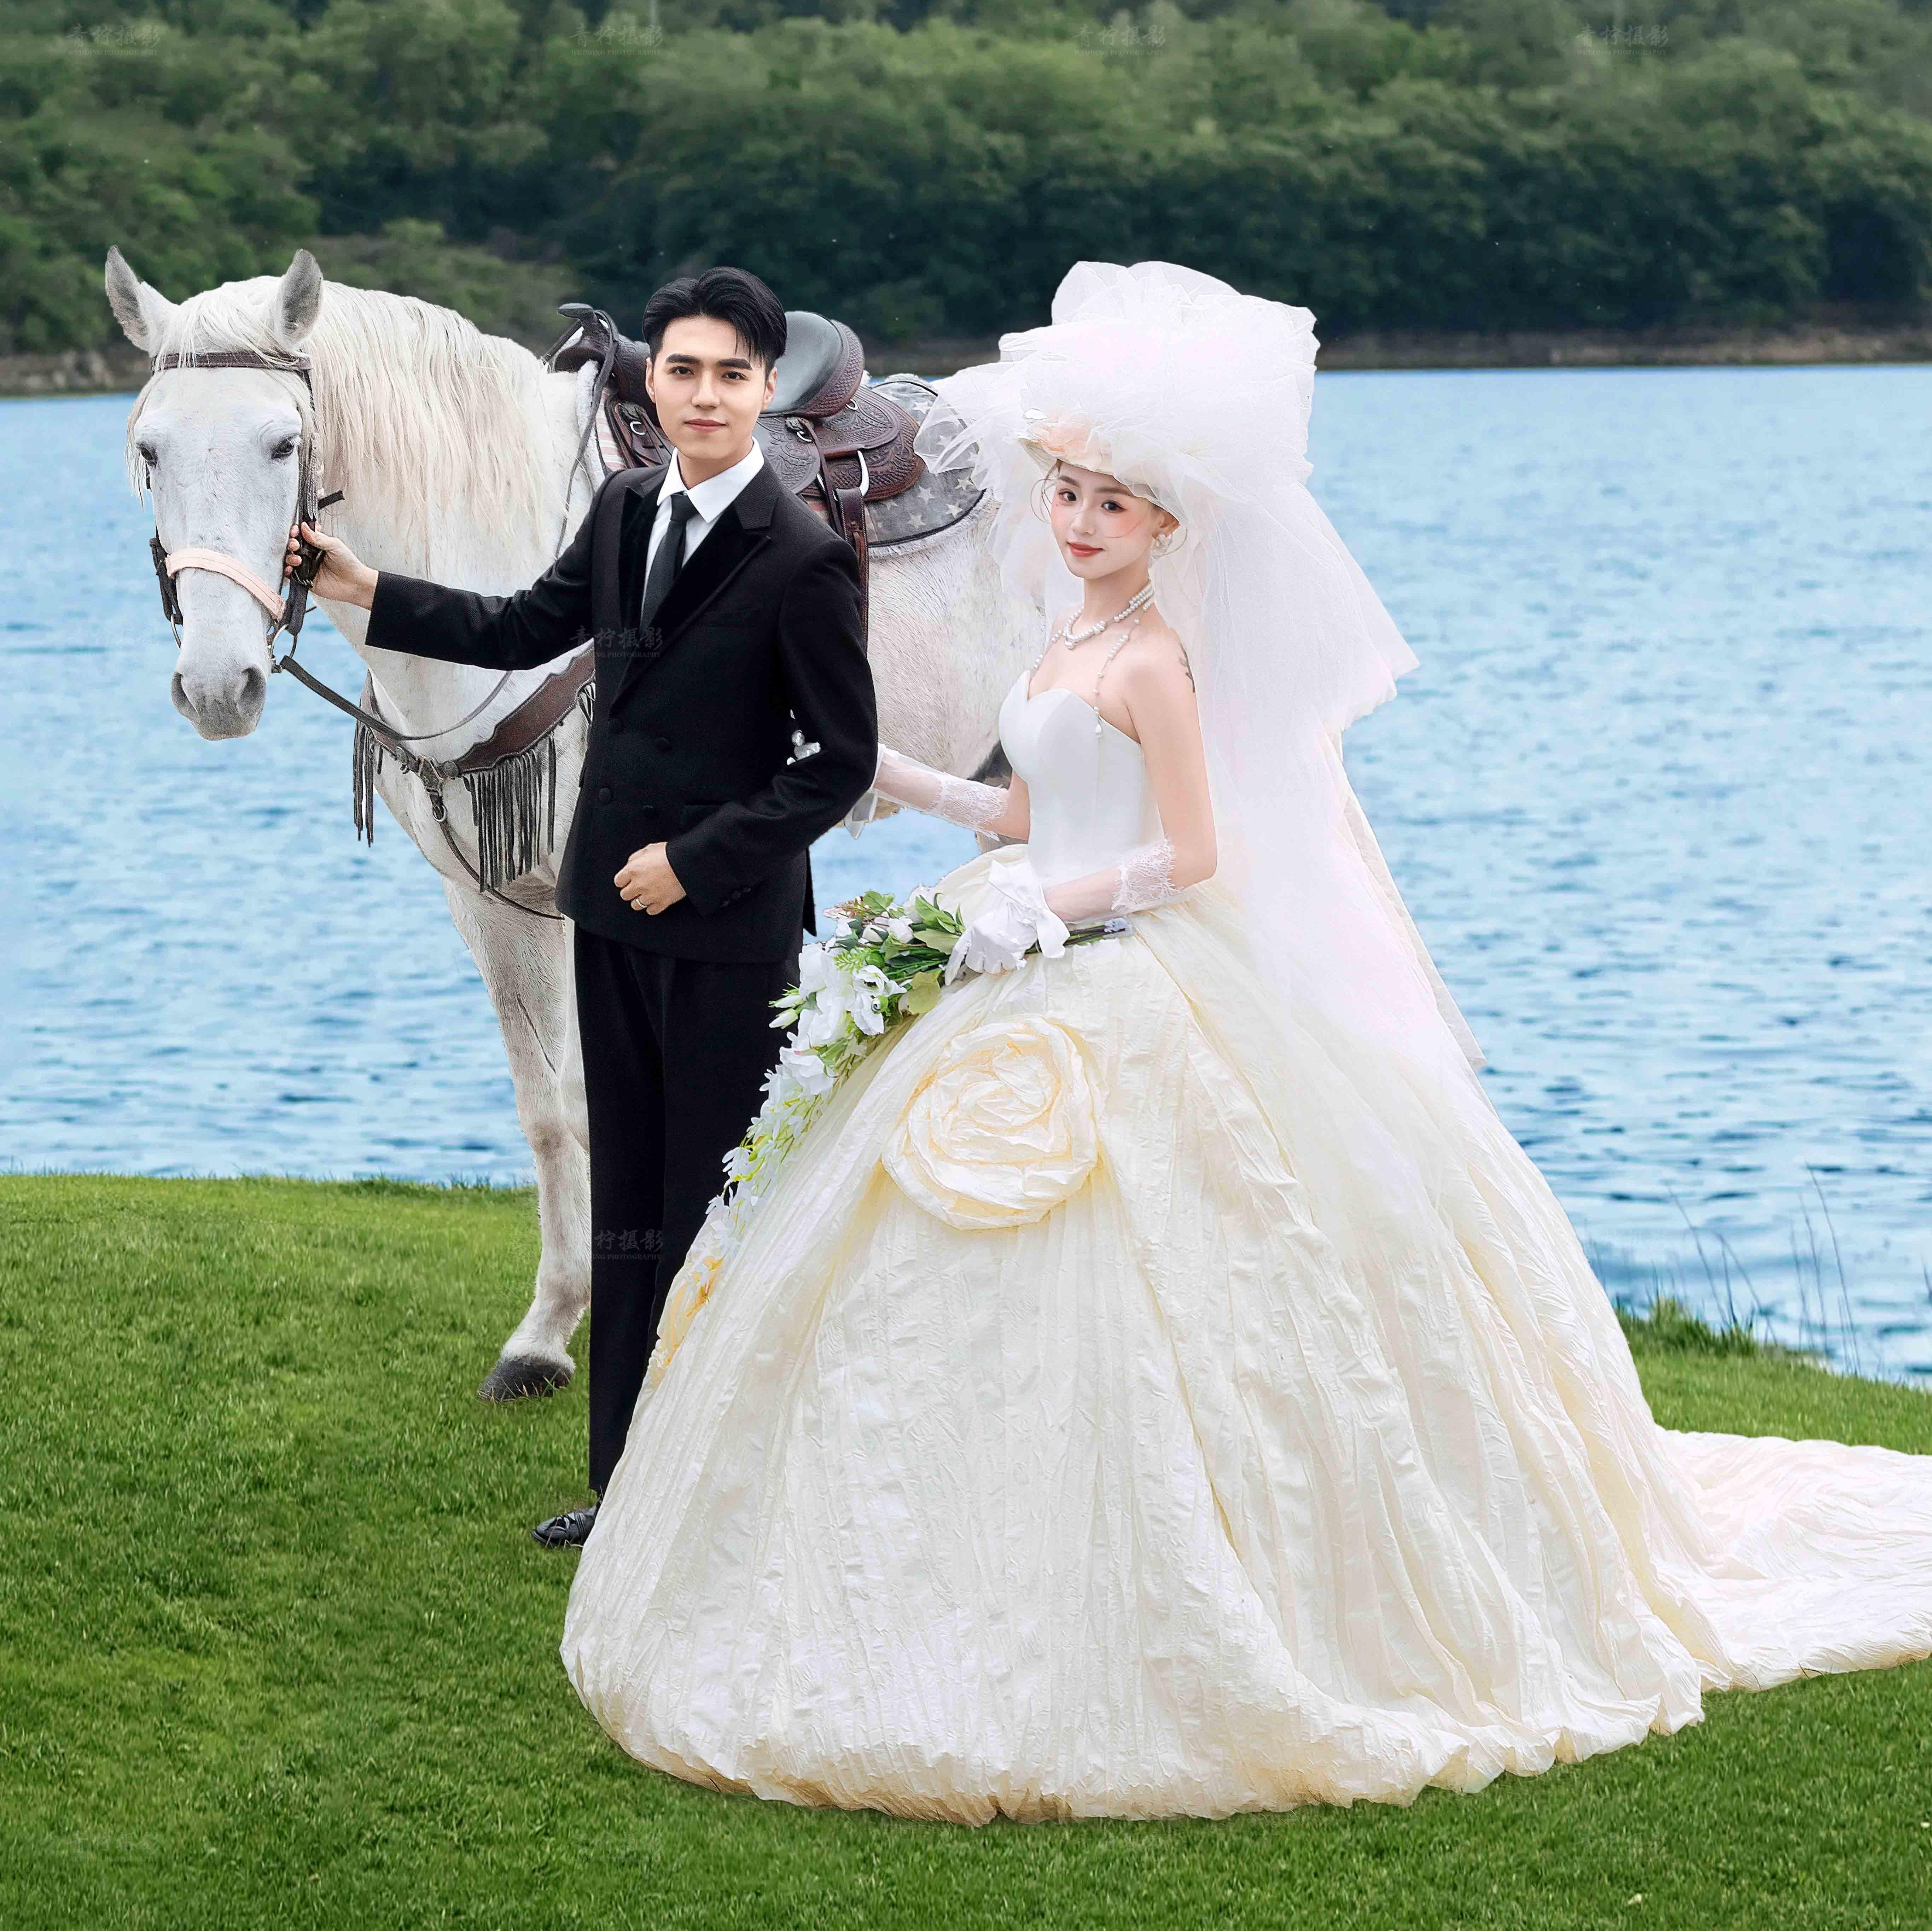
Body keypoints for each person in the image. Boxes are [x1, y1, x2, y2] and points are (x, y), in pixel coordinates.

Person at [557, 261, 1932, 1821]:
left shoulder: (1154, 659)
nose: (1079, 522)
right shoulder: (1060, 643)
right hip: (1028, 936)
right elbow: (1030, 809)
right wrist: (912, 788)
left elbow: (1193, 854)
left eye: (1112, 505)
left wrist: (1053, 908)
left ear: (1165, 527)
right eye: (1067, 494)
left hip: (1123, 960)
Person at [293, 267, 877, 1546]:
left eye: (731, 374)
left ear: (764, 389)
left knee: (713, 1211)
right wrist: (364, 587)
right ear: (649, 380)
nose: (704, 395)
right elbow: (519, 628)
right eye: (683, 370)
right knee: (628, 1214)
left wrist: (698, 862)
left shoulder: (805, 558)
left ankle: (730, 1493)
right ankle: (622, 1489)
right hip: (607, 912)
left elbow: (838, 764)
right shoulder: (623, 509)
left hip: (727, 931)